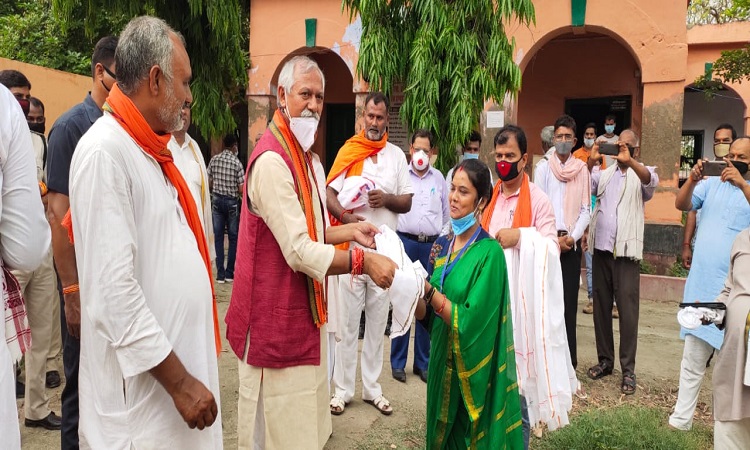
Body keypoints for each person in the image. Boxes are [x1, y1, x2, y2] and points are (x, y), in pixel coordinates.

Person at [224, 55, 397, 449]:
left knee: (304, 425)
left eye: (320, 96)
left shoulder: (304, 157)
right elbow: (300, 251)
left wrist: (351, 229)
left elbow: (313, 231)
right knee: (277, 431)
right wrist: (363, 262)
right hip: (272, 322)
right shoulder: (272, 161)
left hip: (302, 313)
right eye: (306, 94)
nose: (314, 105)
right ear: (283, 96)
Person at [68, 16, 221, 448]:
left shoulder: (150, 150)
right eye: (185, 82)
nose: (190, 96)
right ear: (155, 79)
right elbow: (114, 296)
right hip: (142, 413)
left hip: (171, 408)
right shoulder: (106, 152)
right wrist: (180, 384)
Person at [413, 158, 522, 448]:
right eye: (452, 189)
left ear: (481, 201)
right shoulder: (442, 246)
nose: (453, 197)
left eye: (463, 192)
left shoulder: (490, 254)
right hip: (440, 364)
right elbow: (428, 318)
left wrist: (429, 292)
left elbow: (473, 322)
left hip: (469, 373)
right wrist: (410, 292)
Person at [482, 125, 577, 448]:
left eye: (510, 156)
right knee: (487, 387)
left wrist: (520, 236)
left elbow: (551, 248)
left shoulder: (538, 200)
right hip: (489, 304)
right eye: (499, 156)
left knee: (517, 392)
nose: (504, 161)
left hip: (520, 315)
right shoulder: (490, 197)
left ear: (525, 159)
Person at [46, 35, 118, 449]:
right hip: (81, 284)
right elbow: (58, 215)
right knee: (78, 384)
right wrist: (71, 292)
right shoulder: (71, 128)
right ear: (99, 73)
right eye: (118, 79)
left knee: (106, 382)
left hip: (110, 280)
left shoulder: (118, 127)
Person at [327, 91, 413, 416]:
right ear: (362, 116)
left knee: (378, 324)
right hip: (352, 253)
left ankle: (372, 389)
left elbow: (406, 201)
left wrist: (385, 199)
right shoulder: (350, 151)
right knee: (349, 324)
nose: (374, 123)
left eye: (380, 117)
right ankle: (342, 391)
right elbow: (328, 193)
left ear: (387, 119)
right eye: (370, 116)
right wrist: (347, 219)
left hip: (385, 252)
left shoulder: (396, 156)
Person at [670, 135, 750, 430]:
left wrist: (742, 184)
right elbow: (681, 204)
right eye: (731, 155)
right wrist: (691, 180)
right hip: (703, 288)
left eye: (741, 157)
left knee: (731, 365)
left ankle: (726, 423)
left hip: (738, 294)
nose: (733, 160)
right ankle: (681, 420)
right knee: (693, 357)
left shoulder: (747, 188)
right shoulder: (710, 184)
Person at [0, 75, 62, 430]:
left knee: (40, 333)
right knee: (8, 337)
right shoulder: (7, 123)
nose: (25, 105)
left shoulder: (39, 140)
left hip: (40, 244)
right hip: (12, 252)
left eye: (28, 98)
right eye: (18, 98)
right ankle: (10, 404)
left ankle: (36, 408)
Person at [586, 129, 659, 395]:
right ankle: (605, 362)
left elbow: (651, 182)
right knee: (601, 309)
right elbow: (588, 188)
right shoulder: (604, 174)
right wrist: (592, 161)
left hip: (627, 254)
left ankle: (628, 370)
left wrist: (631, 163)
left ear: (636, 150)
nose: (622, 150)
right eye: (619, 146)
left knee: (628, 313)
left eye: (628, 147)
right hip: (602, 250)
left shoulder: (643, 172)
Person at [391, 129, 449, 384]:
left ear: (432, 153)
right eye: (417, 149)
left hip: (431, 246)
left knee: (428, 300)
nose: (421, 155)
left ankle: (422, 363)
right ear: (410, 149)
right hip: (405, 242)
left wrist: (442, 242)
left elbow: (447, 215)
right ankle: (397, 362)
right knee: (404, 298)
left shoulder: (439, 180)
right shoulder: (401, 176)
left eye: (426, 150)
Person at [534, 115, 590, 369]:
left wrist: (571, 237)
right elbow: (539, 206)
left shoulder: (582, 170)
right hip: (547, 243)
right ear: (553, 139)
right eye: (560, 137)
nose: (564, 141)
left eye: (568, 137)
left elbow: (586, 209)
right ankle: (547, 363)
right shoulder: (543, 168)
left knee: (568, 306)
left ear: (575, 141)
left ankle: (569, 365)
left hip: (570, 245)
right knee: (546, 305)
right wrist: (553, 239)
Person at [707, 228, 750, 448]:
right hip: (735, 359)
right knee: (729, 429)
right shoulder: (742, 238)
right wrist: (713, 311)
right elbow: (730, 288)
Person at [680, 123, 737, 271]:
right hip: (703, 254)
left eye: (726, 141)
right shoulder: (706, 176)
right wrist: (686, 245)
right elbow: (688, 209)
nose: (721, 144)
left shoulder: (743, 183)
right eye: (717, 141)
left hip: (734, 259)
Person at [169, 103, 214, 264]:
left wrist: (209, 251)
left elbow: (206, 203)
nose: (183, 112)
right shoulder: (161, 147)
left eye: (186, 107)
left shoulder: (194, 148)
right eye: (179, 106)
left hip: (196, 243)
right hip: (171, 247)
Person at [574, 122, 605, 316]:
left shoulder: (601, 159)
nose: (589, 137)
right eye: (587, 134)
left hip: (597, 215)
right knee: (587, 259)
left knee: (595, 260)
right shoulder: (577, 156)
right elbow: (578, 181)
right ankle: (592, 299)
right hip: (579, 215)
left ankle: (604, 300)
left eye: (592, 134)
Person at [207, 134, 244, 283]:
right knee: (233, 238)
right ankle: (230, 273)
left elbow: (208, 180)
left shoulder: (214, 160)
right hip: (231, 204)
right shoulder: (237, 163)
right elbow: (241, 189)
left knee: (218, 237)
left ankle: (220, 275)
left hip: (216, 201)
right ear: (234, 145)